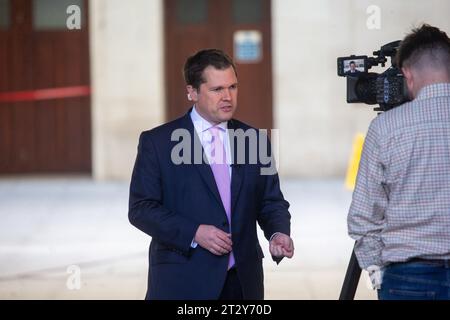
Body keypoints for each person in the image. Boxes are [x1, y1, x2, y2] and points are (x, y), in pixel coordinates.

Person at [129, 49, 294, 300]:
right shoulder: (158, 142)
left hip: (242, 284)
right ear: (192, 92)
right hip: (183, 281)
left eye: (233, 87)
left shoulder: (256, 141)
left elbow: (271, 202)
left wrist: (278, 232)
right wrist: (194, 232)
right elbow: (141, 208)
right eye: (217, 89)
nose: (227, 97)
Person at [347, 24, 450, 300]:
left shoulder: (387, 128)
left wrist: (378, 276)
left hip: (407, 277)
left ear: (406, 74)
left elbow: (362, 218)